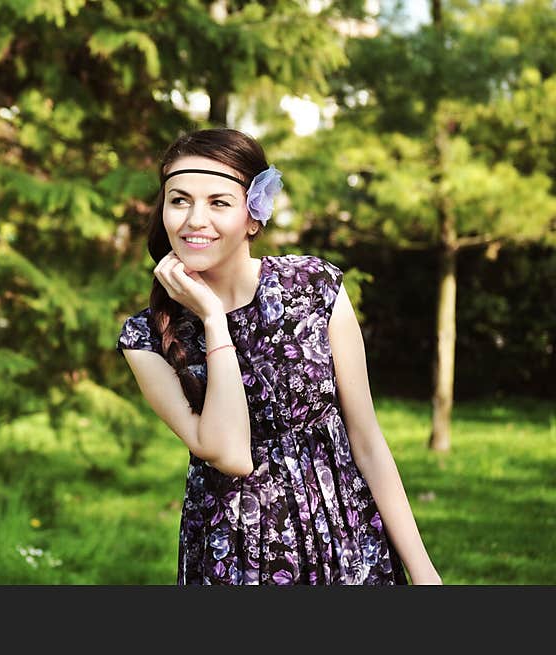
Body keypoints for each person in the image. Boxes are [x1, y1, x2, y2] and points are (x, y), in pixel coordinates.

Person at [116, 127, 441, 585]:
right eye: (180, 200)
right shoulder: (148, 336)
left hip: (344, 539)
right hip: (238, 558)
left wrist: (425, 573)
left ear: (253, 216)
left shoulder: (314, 288)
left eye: (219, 202)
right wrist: (212, 318)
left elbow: (366, 441)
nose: (194, 219)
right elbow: (231, 455)